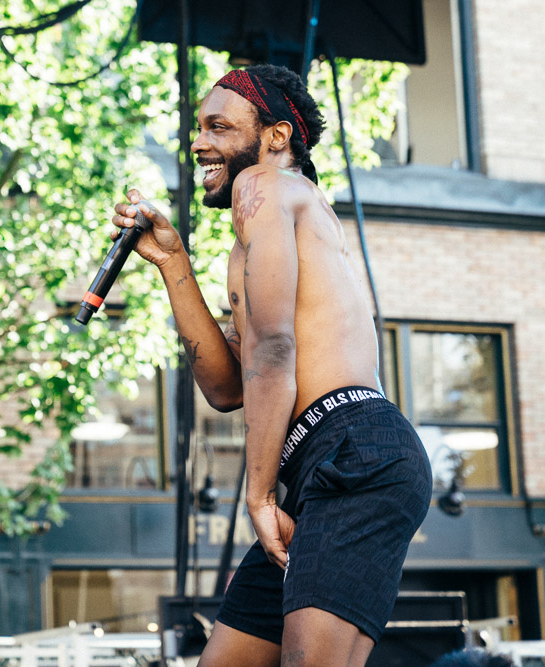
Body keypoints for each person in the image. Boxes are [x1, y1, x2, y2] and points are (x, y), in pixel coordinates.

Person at [111, 64, 433, 666]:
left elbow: (274, 349)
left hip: (354, 452)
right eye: (198, 128)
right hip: (319, 466)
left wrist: (257, 497)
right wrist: (174, 263)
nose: (198, 143)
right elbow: (227, 388)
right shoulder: (267, 224)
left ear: (276, 136)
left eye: (218, 126)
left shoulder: (265, 185)